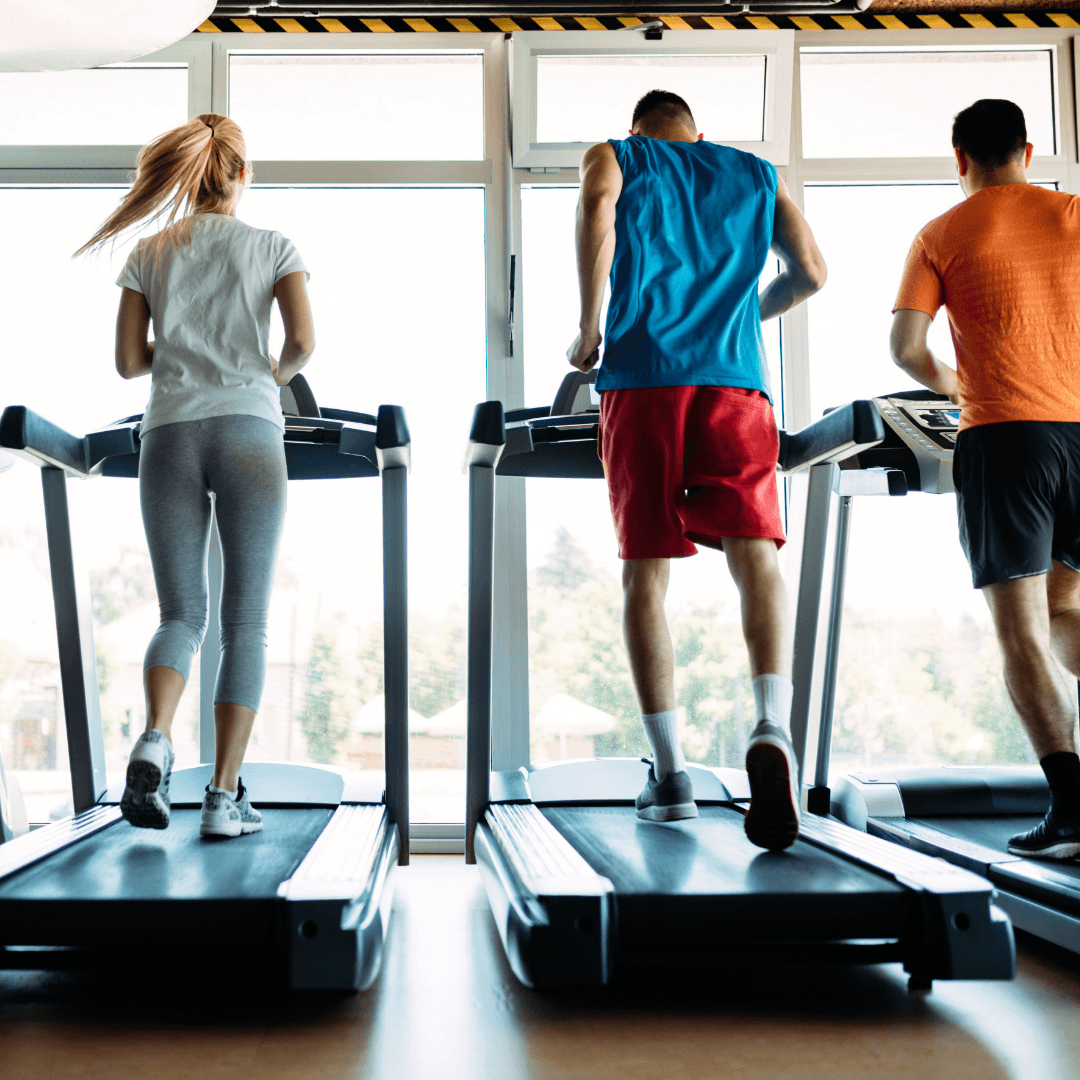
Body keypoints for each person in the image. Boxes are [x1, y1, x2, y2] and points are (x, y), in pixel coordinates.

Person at [566, 90, 827, 849]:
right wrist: (742, 315)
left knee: (646, 574)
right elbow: (810, 272)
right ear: (698, 133)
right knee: (756, 558)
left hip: (642, 379)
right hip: (737, 382)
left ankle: (671, 773)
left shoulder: (616, 155)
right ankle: (771, 722)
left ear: (638, 130)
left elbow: (596, 210)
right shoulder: (754, 172)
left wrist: (589, 327)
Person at [75, 114, 315, 838]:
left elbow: (127, 361)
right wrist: (261, 375)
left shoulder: (151, 250)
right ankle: (222, 797)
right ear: (243, 174)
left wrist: (184, 359)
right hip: (249, 427)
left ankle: (154, 738)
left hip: (169, 432)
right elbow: (302, 343)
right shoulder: (274, 246)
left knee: (180, 615)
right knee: (245, 623)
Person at [892, 98, 1080, 860]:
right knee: (1066, 604)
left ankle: (1069, 809)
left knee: (1021, 626)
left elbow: (906, 347)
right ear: (1028, 152)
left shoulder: (940, 233)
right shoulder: (1073, 213)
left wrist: (955, 386)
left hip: (1006, 438)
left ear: (959, 157)